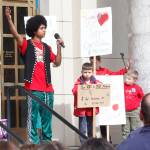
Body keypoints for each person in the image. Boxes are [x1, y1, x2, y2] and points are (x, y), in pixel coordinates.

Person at [5, 6, 64, 144]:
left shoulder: (47, 47)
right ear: (34, 29)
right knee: (32, 119)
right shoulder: (26, 44)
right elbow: (15, 34)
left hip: (48, 90)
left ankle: (47, 144)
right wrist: (9, 19)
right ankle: (33, 145)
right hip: (33, 90)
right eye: (42, 27)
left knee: (47, 121)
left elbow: (57, 62)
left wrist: (59, 46)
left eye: (45, 27)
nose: (44, 30)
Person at [90, 56, 130, 139]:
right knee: (92, 125)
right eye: (91, 63)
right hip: (93, 102)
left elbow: (115, 75)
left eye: (95, 62)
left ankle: (107, 141)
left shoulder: (104, 71)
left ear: (99, 61)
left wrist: (125, 69)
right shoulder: (89, 72)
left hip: (103, 102)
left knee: (104, 124)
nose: (93, 64)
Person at [72, 63, 101, 144]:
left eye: (89, 72)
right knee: (82, 128)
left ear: (92, 72)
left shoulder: (95, 81)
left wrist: (98, 86)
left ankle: (90, 144)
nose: (87, 74)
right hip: (82, 110)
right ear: (82, 72)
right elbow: (74, 91)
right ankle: (83, 145)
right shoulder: (79, 81)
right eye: (85, 72)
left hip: (91, 110)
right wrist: (82, 88)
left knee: (91, 128)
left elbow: (102, 89)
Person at [122, 70, 144, 139]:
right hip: (124, 112)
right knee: (125, 130)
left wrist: (137, 103)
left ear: (134, 80)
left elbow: (142, 96)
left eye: (129, 79)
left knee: (134, 129)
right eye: (126, 78)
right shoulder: (122, 86)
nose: (126, 80)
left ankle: (134, 143)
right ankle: (125, 145)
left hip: (134, 112)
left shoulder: (137, 88)